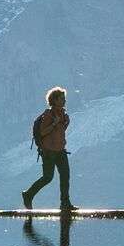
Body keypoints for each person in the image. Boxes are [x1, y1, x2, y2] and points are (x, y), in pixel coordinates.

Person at [21, 86, 74, 215]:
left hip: (60, 150)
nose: (64, 101)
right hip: (49, 152)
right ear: (54, 100)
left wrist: (64, 122)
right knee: (48, 177)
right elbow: (42, 132)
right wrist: (54, 123)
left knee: (65, 176)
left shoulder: (64, 115)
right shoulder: (48, 115)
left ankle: (65, 203)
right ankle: (28, 194)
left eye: (64, 99)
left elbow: (60, 132)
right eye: (62, 99)